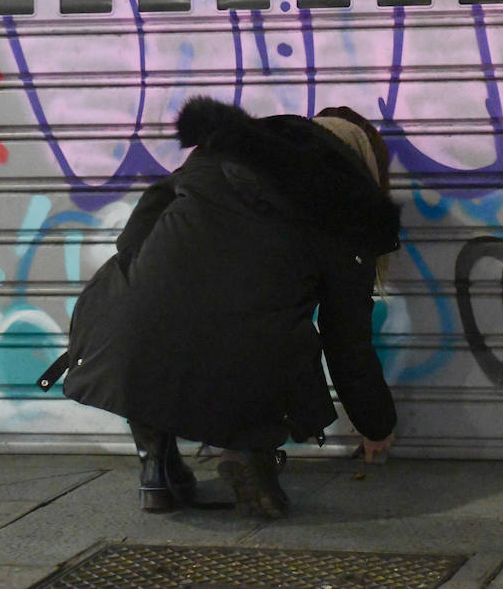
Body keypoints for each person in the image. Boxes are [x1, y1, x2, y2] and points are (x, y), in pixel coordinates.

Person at [43, 96, 400, 518]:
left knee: (141, 298)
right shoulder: (348, 207)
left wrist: (172, 276)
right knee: (272, 326)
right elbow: (347, 340)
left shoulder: (222, 150)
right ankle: (248, 452)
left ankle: (155, 466)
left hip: (126, 335)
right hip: (243, 353)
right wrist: (378, 425)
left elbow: (133, 236)